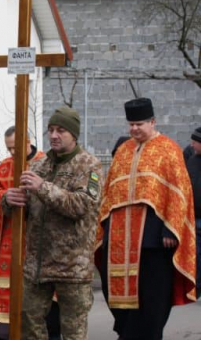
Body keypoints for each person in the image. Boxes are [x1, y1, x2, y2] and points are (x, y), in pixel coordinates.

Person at [96, 98, 196, 340]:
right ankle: (126, 332)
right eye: (130, 124)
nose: (134, 129)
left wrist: (170, 230)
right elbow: (110, 191)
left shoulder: (168, 149)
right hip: (120, 241)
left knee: (152, 296)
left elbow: (179, 191)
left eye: (139, 124)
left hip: (153, 241)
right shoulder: (123, 150)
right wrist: (106, 229)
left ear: (153, 121)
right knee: (116, 293)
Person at [3, 107, 103, 340]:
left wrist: (42, 187)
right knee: (28, 321)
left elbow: (81, 205)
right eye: (51, 130)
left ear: (74, 134)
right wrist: (8, 200)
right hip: (38, 264)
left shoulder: (89, 165)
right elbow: (24, 208)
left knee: (72, 330)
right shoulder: (40, 166)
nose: (55, 135)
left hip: (72, 266)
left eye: (61, 130)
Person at [0, 126, 61, 340]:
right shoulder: (4, 168)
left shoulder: (47, 163)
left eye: (16, 148)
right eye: (9, 149)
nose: (13, 154)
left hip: (39, 242)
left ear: (28, 141)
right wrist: (5, 197)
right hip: (11, 242)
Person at [186, 126, 201, 298]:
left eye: (195, 142)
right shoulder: (191, 160)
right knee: (195, 257)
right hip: (193, 220)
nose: (192, 145)